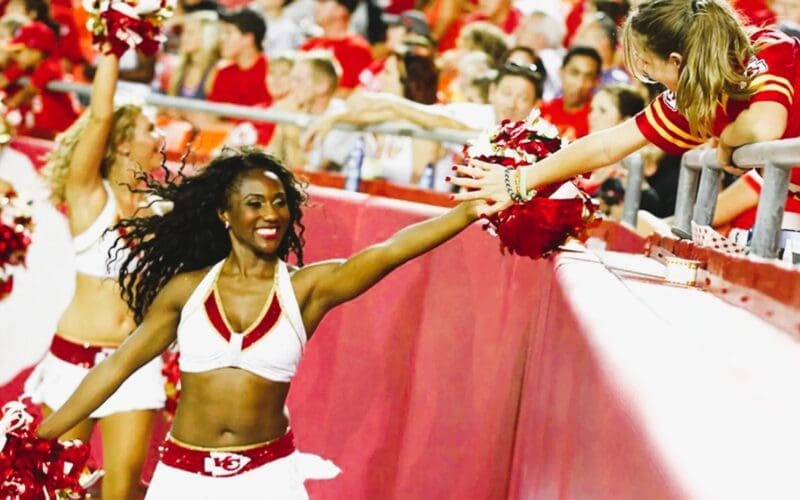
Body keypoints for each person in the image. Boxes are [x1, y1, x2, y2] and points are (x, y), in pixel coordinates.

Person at [35, 148, 486, 498]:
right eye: (255, 203)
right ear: (225, 214)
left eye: (279, 202)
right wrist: (37, 439)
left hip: (267, 479)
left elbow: (390, 250)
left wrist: (469, 211)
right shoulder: (187, 290)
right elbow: (117, 367)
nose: (271, 213)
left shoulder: (307, 289)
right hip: (182, 479)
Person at [451, 0, 800, 217]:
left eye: (648, 66)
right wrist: (520, 180)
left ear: (675, 62)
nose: (647, 77)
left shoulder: (765, 49)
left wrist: (726, 140)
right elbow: (606, 145)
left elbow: (761, 129)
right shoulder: (689, 97)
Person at [25, 50, 165, 499]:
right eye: (151, 128)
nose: (161, 135)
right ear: (123, 142)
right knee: (57, 486)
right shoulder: (90, 196)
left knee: (122, 492)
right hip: (76, 362)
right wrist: (113, 47)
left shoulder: (165, 212)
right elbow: (100, 114)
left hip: (135, 365)